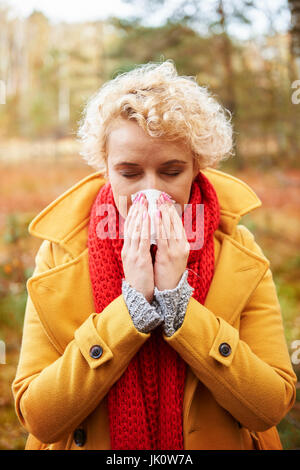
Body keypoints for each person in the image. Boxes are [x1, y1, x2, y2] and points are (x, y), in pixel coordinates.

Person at [12, 60, 297, 450]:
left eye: (171, 171)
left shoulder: (239, 250)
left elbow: (268, 408)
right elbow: (39, 418)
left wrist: (180, 304)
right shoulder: (60, 254)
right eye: (129, 173)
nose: (150, 192)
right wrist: (128, 312)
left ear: (197, 167)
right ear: (105, 170)